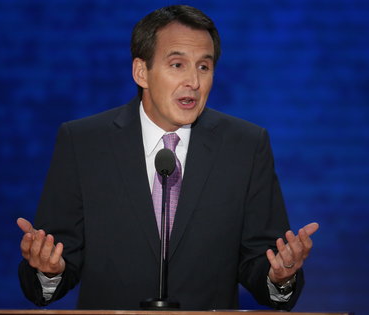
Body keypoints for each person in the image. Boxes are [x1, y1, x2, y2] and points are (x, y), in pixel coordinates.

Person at [17, 5, 318, 311]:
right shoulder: (84, 143)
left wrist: (279, 276)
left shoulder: (245, 147)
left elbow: (261, 261)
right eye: (177, 65)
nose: (194, 82)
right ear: (141, 72)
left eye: (204, 67)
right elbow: (56, 264)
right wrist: (48, 271)